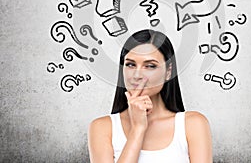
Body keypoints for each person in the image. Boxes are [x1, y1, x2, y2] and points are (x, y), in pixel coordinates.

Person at [88, 29, 212, 162]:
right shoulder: (102, 128)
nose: (137, 75)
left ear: (168, 72)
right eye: (130, 64)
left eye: (150, 66)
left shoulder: (193, 124)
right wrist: (137, 129)